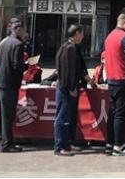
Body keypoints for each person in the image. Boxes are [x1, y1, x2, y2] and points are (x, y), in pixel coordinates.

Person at [104, 8, 125, 156]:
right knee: (120, 115)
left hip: (111, 80)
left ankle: (110, 143)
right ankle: (118, 146)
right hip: (124, 80)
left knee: (112, 113)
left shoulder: (109, 36)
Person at [54, 24, 90, 157]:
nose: (83, 36)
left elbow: (78, 68)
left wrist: (86, 79)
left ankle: (68, 143)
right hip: (66, 89)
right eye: (82, 33)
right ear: (77, 34)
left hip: (67, 88)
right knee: (63, 118)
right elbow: (67, 71)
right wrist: (71, 88)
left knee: (69, 117)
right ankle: (60, 146)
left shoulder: (69, 47)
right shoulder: (70, 49)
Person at [0, 18, 28, 153]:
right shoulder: (18, 44)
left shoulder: (4, 42)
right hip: (10, 83)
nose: (25, 33)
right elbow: (17, 65)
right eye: (23, 30)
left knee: (1, 114)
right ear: (18, 29)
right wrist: (27, 65)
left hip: (1, 82)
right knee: (8, 116)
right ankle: (7, 144)